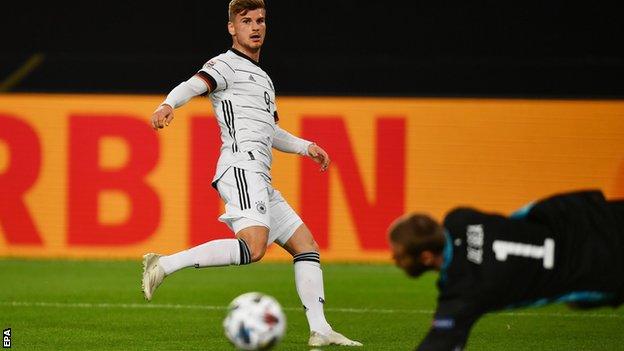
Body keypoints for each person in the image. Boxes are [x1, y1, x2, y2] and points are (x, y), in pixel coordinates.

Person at [140, 0, 361, 347]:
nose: (255, 27)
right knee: (254, 248)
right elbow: (192, 85)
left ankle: (320, 330)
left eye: (260, 20)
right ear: (232, 28)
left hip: (260, 174)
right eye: (246, 21)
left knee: (306, 246)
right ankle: (164, 264)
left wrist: (306, 146)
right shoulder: (225, 64)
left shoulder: (264, 79)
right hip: (241, 167)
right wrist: (167, 104)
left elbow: (270, 132)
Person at [388, 190, 624, 350]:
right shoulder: (460, 217)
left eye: (399, 256)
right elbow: (527, 213)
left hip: (602, 268)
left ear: (426, 257)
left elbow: (441, 343)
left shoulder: (462, 292)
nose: (394, 260)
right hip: (603, 216)